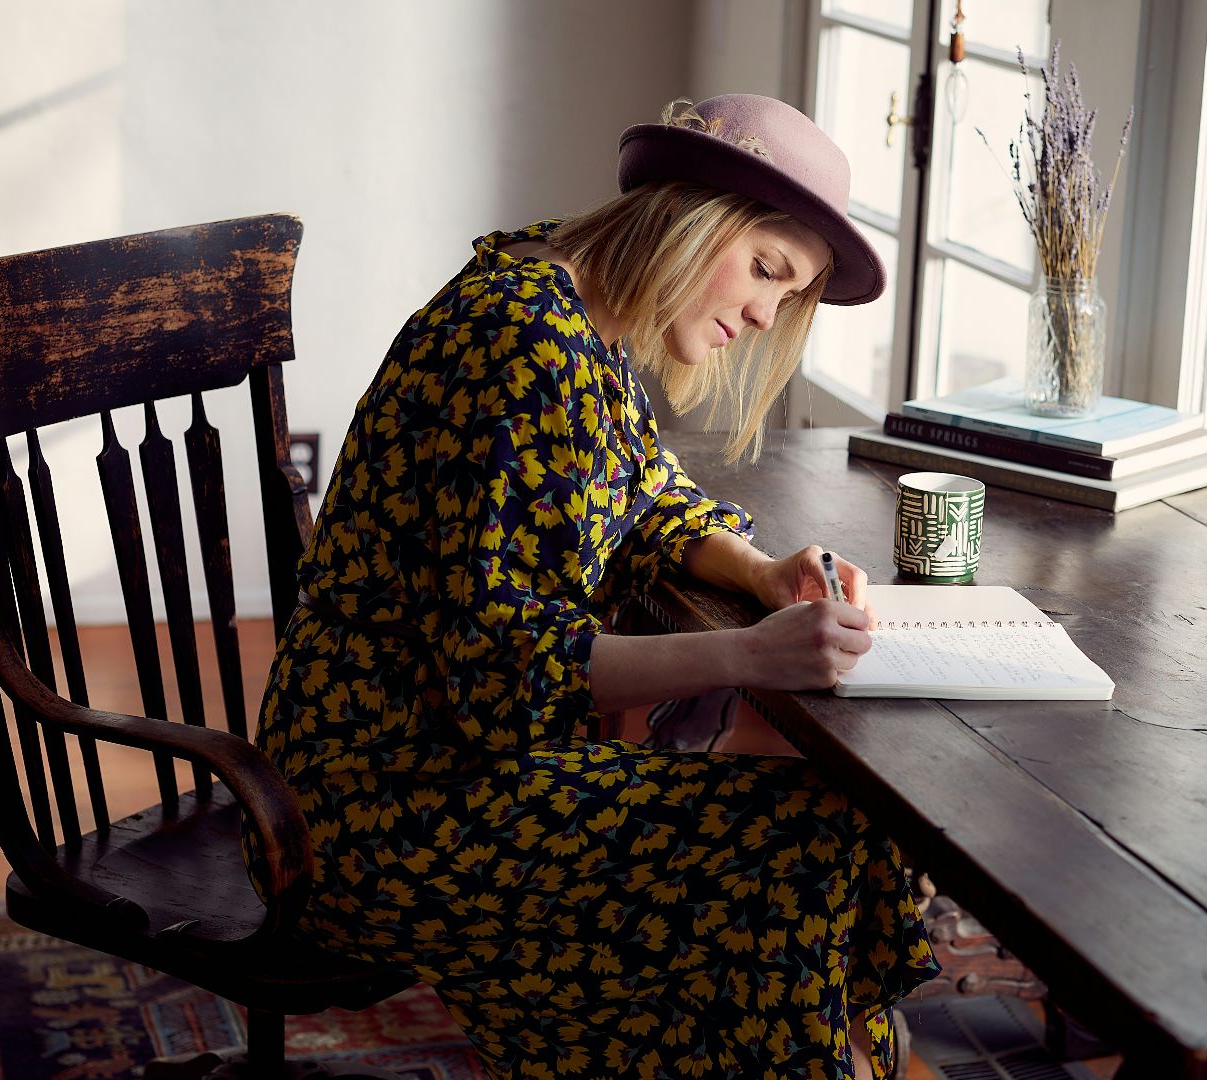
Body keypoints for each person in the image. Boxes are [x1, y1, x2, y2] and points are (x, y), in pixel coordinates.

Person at [247, 94, 940, 1080]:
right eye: (765, 270)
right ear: (688, 214)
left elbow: (636, 480)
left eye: (787, 300)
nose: (761, 314)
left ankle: (805, 1051)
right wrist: (747, 652)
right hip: (375, 814)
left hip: (433, 773)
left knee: (822, 836)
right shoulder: (529, 349)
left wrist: (756, 569)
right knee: (800, 845)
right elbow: (506, 676)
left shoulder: (566, 292)